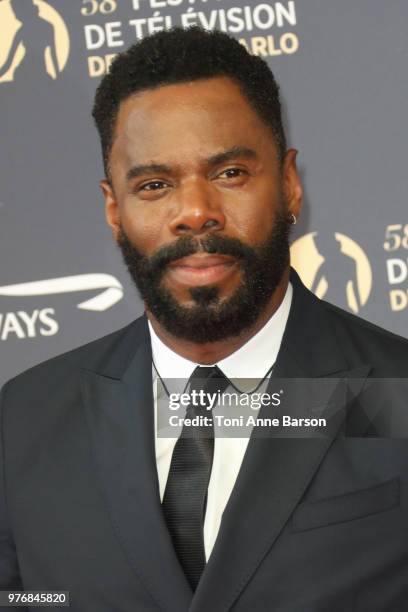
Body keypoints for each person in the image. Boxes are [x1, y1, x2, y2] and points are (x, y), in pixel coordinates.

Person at [1, 27, 408, 612]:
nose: (195, 212)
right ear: (114, 209)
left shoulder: (395, 395)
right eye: (155, 185)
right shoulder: (26, 419)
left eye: (230, 174)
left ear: (289, 183)